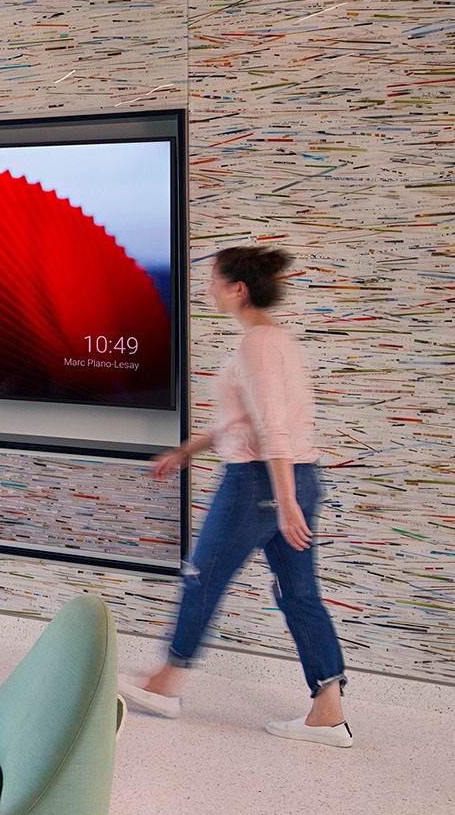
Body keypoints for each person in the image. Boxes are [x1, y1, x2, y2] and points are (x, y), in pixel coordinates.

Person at [123, 246, 351, 746]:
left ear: (237, 289)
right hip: (296, 476)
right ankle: (328, 710)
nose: (206, 289)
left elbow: (271, 429)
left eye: (213, 280)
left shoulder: (257, 347)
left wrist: (284, 500)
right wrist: (188, 449)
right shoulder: (278, 342)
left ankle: (166, 682)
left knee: (202, 576)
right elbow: (245, 420)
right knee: (299, 592)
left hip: (259, 483)